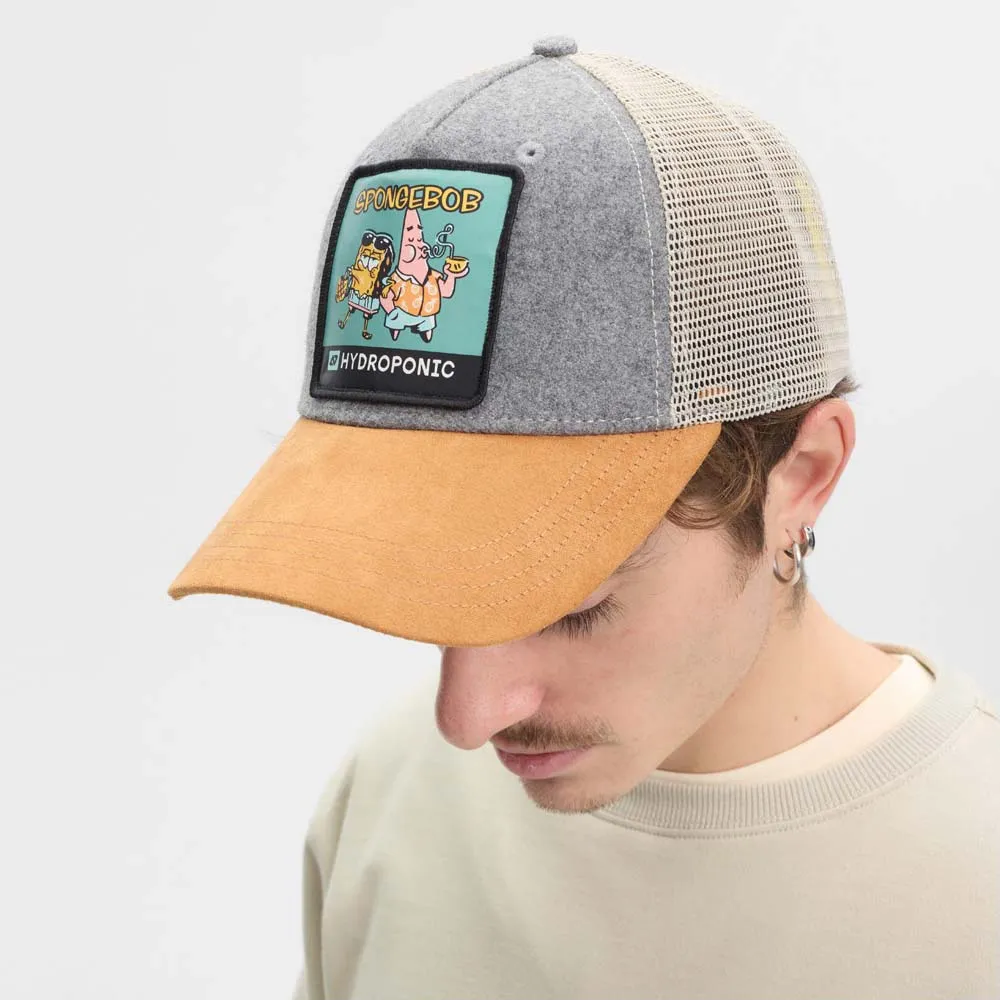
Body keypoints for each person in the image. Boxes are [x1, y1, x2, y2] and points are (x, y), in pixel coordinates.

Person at [167, 36, 999, 1000]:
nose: (466, 719)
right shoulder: (392, 798)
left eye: (570, 603)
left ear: (801, 479)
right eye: (430, 583)